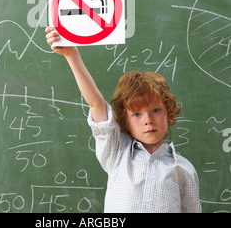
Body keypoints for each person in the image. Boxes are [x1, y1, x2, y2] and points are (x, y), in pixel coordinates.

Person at [45, 27, 202, 213]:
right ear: (124, 121)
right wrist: (72, 55)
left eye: (156, 110)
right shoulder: (118, 152)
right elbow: (95, 103)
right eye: (137, 114)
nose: (148, 120)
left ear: (168, 113)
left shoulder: (184, 169)